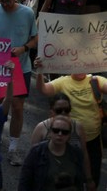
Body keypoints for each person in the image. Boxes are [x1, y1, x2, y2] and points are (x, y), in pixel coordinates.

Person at [0, 0, 37, 166]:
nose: (5, 4)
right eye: (1, 1)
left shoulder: (27, 14)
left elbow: (35, 37)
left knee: (17, 107)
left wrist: (24, 48)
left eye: (8, 1)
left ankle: (13, 148)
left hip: (21, 68)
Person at [33, 59, 104, 188]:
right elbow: (43, 90)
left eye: (83, 63)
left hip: (93, 140)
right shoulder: (63, 81)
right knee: (71, 179)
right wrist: (39, 71)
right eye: (76, 64)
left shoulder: (95, 80)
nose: (79, 67)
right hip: (70, 139)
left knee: (93, 178)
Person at [18, 114, 86, 190]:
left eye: (65, 132)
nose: (60, 134)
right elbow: (24, 182)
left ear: (69, 135)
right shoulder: (36, 152)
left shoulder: (77, 154)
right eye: (56, 130)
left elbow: (79, 183)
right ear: (50, 132)